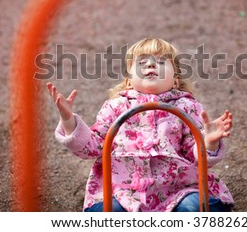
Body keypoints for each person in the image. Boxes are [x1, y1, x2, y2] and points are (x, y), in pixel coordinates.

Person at [47, 38, 234, 212]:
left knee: (194, 205)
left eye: (161, 62)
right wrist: (68, 120)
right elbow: (94, 147)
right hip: (123, 193)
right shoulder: (116, 106)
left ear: (176, 80)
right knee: (107, 212)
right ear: (129, 82)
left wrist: (208, 142)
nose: (151, 64)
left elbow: (195, 156)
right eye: (142, 63)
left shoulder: (187, 107)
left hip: (177, 190)